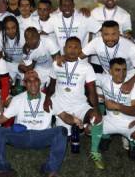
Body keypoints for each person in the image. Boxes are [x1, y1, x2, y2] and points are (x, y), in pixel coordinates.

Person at [0, 70, 80, 177]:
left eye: (35, 80)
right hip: (22, 135)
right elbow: (2, 118)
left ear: (40, 82)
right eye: (29, 81)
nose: (33, 84)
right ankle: (2, 170)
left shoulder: (49, 99)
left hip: (42, 136)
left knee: (61, 131)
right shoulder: (17, 99)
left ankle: (50, 170)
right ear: (24, 84)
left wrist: (75, 120)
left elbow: (64, 116)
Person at [45, 37, 104, 169]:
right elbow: (52, 85)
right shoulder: (56, 64)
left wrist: (96, 108)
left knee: (97, 118)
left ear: (80, 50)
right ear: (64, 49)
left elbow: (91, 91)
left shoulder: (86, 67)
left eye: (76, 47)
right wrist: (47, 98)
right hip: (61, 106)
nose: (72, 50)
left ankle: (95, 151)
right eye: (70, 47)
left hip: (79, 106)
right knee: (63, 138)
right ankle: (68, 127)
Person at [95, 58, 135, 160]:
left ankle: (132, 144)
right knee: (88, 129)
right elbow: (83, 77)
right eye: (117, 70)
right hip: (110, 120)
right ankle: (106, 137)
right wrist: (94, 95)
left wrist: (117, 106)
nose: (122, 73)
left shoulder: (134, 85)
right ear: (110, 71)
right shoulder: (103, 79)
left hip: (129, 121)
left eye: (124, 70)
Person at [81, 20, 135, 92]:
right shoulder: (96, 42)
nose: (110, 38)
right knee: (96, 94)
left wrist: (131, 82)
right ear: (101, 34)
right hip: (108, 75)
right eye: (106, 34)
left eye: (113, 34)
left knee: (123, 100)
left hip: (127, 76)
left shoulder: (130, 46)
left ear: (119, 33)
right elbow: (79, 56)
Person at [0, 16, 25, 86]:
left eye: (13, 28)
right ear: (4, 29)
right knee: (5, 84)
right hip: (9, 64)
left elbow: (30, 53)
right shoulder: (0, 37)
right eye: (7, 29)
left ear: (17, 27)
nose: (11, 31)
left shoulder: (24, 34)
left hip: (23, 63)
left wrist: (25, 66)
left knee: (25, 85)